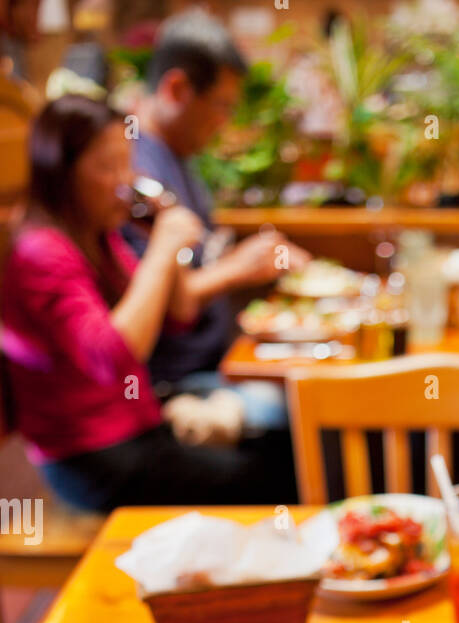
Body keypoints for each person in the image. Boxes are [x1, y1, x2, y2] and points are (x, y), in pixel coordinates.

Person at [1, 95, 293, 511]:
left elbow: (179, 313)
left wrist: (163, 231)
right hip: (92, 460)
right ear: (60, 171)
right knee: (274, 475)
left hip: (138, 430)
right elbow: (115, 355)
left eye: (128, 162)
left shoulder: (97, 234)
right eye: (107, 166)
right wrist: (162, 247)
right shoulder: (41, 252)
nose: (124, 180)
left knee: (287, 444)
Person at [125, 8, 308, 427]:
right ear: (177, 88)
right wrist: (238, 267)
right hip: (175, 384)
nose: (224, 123)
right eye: (221, 106)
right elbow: (169, 302)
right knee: (309, 410)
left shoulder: (178, 154)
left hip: (217, 361)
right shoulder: (136, 168)